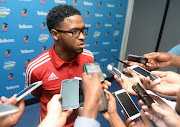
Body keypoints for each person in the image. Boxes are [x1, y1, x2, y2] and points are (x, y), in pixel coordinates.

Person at [25, 4, 94, 126]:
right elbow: (36, 94)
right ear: (55, 34)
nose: (83, 37)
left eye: (83, 30)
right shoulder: (35, 68)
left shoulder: (89, 57)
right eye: (74, 32)